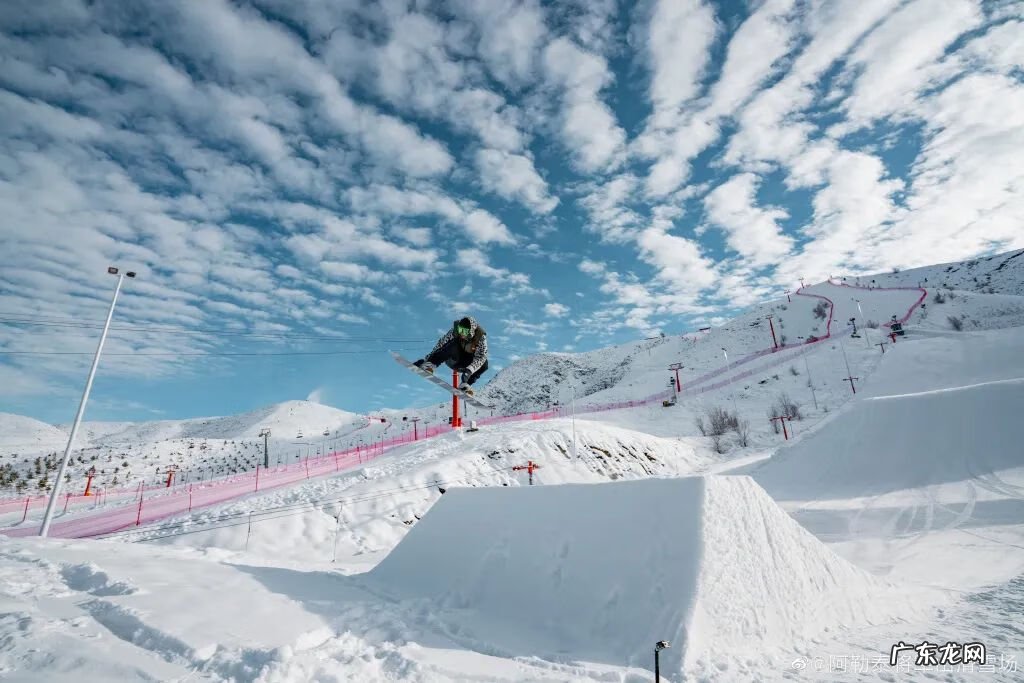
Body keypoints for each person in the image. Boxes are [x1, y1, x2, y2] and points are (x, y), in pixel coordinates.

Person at [414, 316, 489, 394]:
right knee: (454, 344)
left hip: (466, 366)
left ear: (471, 331)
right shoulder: (454, 331)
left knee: (485, 364)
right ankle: (430, 364)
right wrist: (428, 359)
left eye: (464, 331)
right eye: (460, 330)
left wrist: (469, 370)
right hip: (453, 359)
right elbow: (441, 344)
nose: (462, 333)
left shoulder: (480, 337)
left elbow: (481, 356)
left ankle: (465, 385)